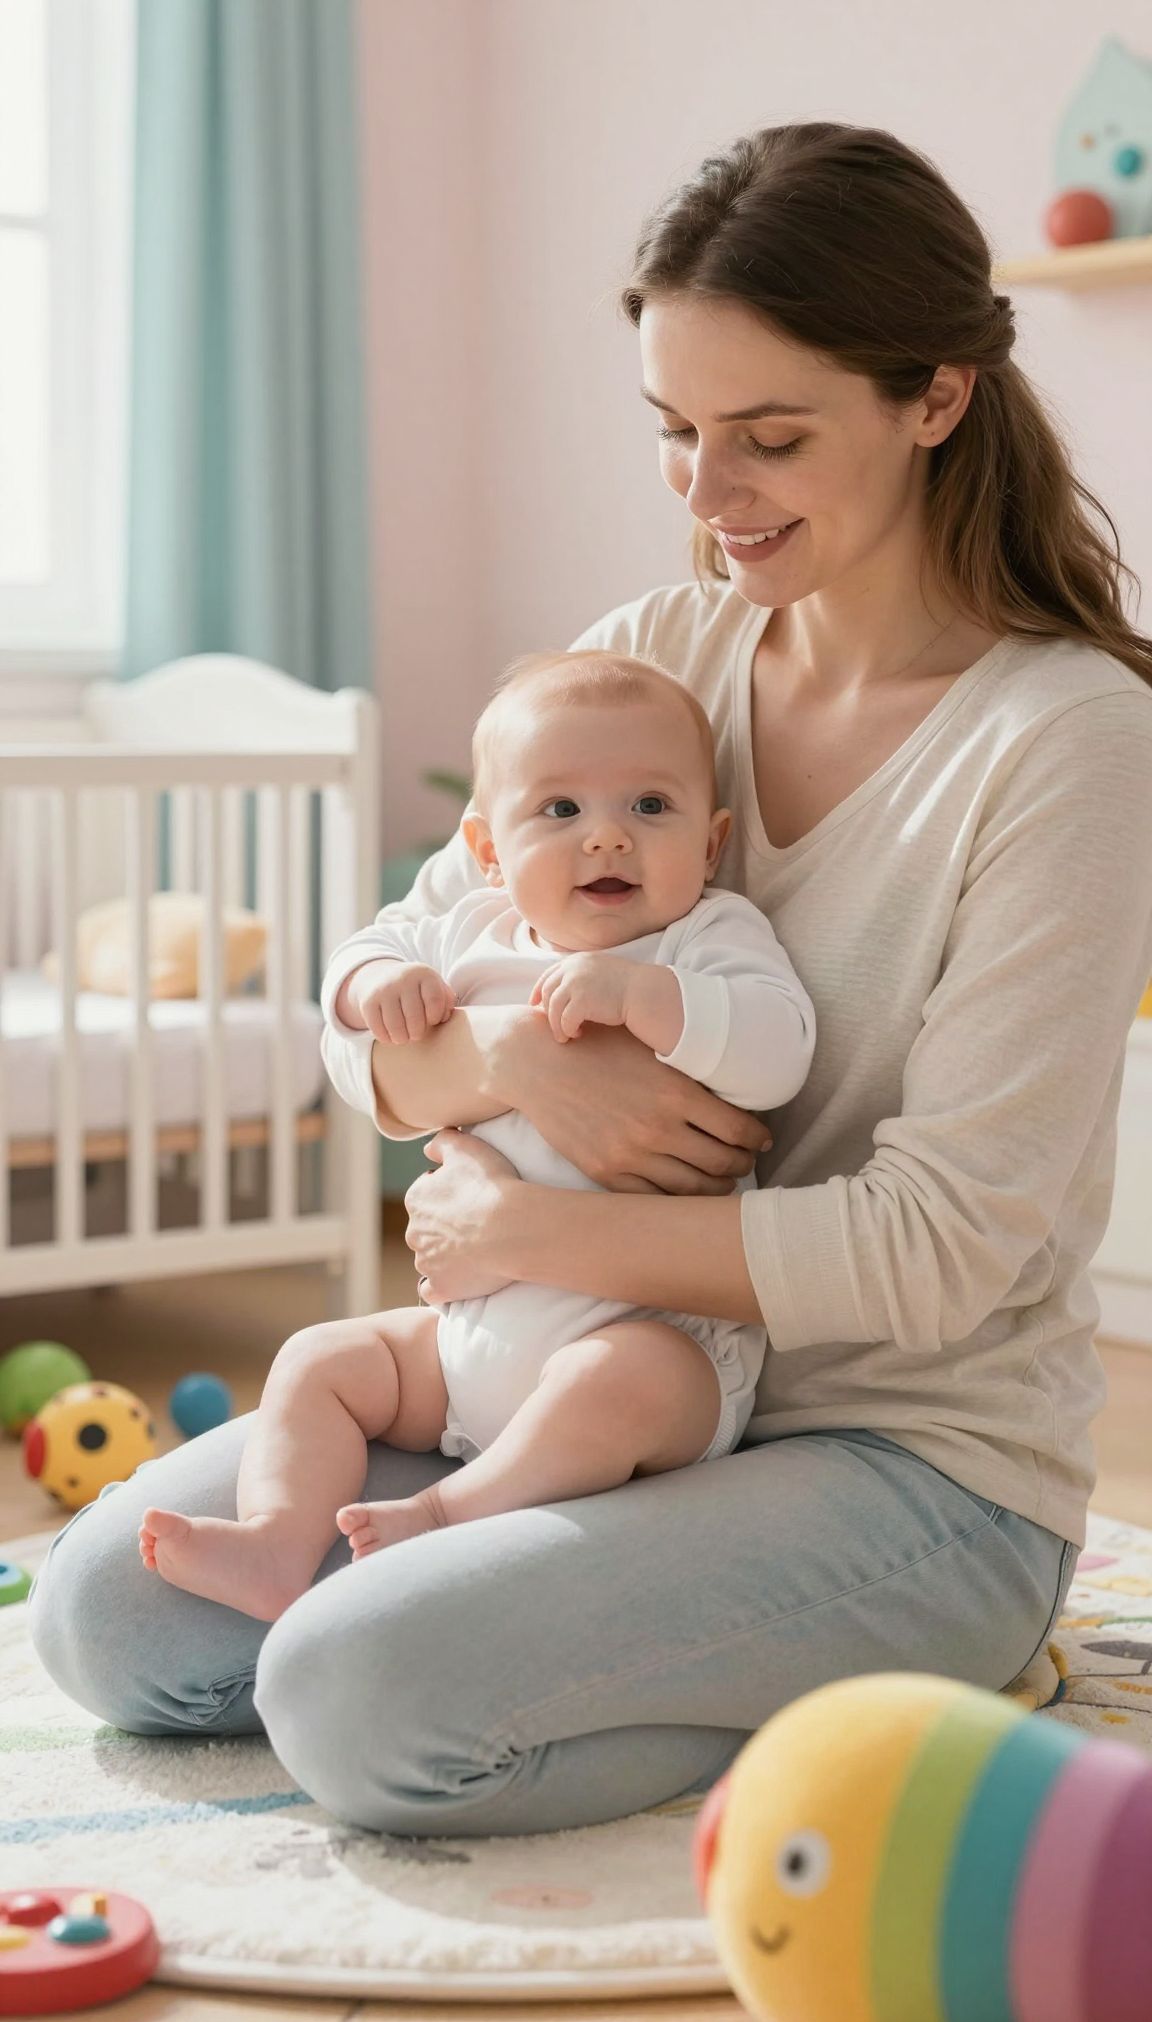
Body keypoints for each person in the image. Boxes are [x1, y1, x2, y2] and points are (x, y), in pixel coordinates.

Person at [27, 121, 1152, 1843]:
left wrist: (532, 1233)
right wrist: (516, 1068)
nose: (710, 499)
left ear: (932, 395)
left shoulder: (1063, 739)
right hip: (556, 1384)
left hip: (899, 1460)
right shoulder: (659, 656)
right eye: (676, 436)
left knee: (351, 1689)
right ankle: (578, 1648)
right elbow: (384, 1034)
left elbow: (940, 1250)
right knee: (107, 1611)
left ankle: (891, 1697)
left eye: (768, 437)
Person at [134, 651, 815, 1619]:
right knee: (318, 1361)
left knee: (613, 1379)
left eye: (651, 808)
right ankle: (278, 1541)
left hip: (662, 1342)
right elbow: (353, 968)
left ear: (711, 845)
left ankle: (453, 1511)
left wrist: (651, 999)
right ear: (489, 851)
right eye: (562, 811)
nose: (608, 838)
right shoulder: (472, 932)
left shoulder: (706, 939)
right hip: (464, 1349)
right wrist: (378, 987)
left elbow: (779, 1051)